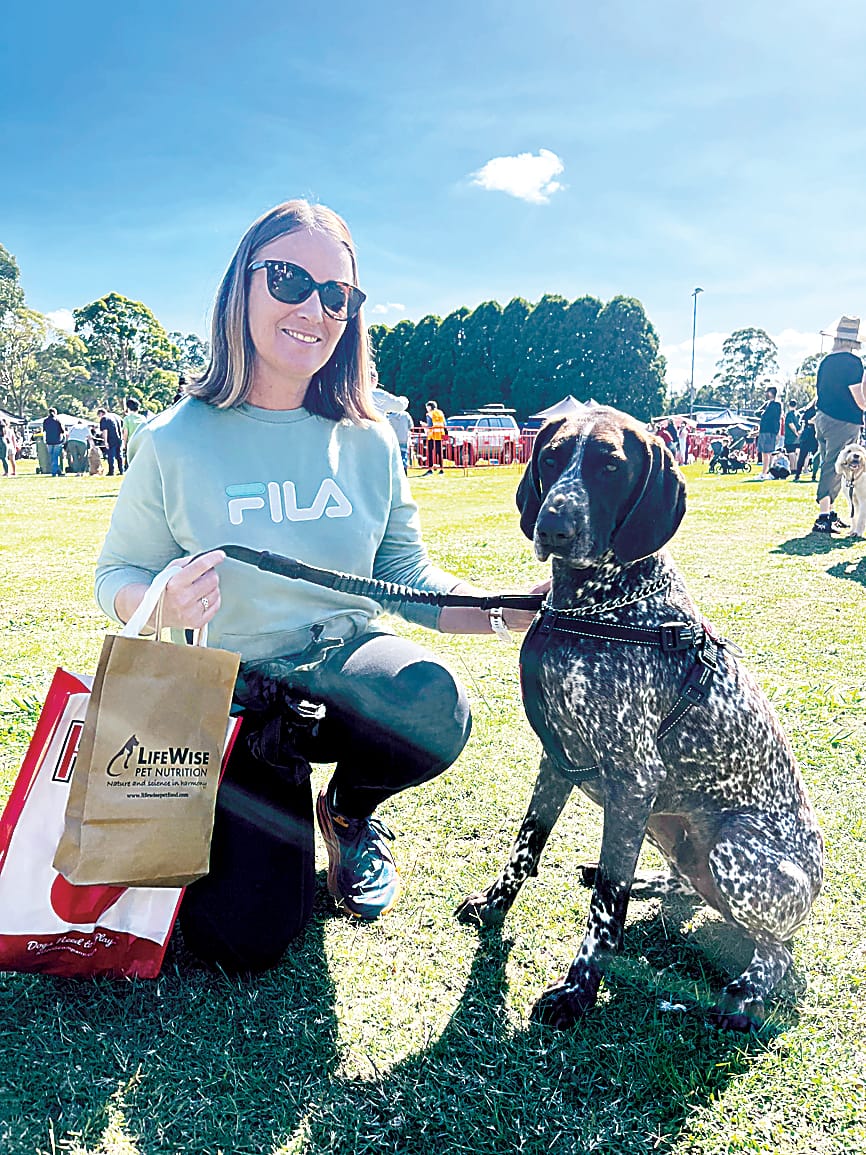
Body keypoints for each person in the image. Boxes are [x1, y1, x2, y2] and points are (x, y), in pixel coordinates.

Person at [94, 199, 545, 974]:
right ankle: (268, 811)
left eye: (337, 294)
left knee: (433, 699)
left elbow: (406, 579)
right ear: (242, 288)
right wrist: (160, 600)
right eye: (290, 280)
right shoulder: (172, 440)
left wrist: (515, 613)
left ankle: (346, 812)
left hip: (344, 674)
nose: (315, 308)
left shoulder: (371, 439)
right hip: (237, 701)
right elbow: (115, 576)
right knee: (245, 938)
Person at [812, 316, 866, 533]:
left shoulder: (826, 361)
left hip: (823, 418)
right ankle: (824, 515)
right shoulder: (853, 363)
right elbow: (859, 399)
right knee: (833, 467)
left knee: (829, 463)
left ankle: (830, 512)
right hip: (843, 422)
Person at [756, 387, 782, 480]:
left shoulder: (776, 404)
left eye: (767, 392)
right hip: (764, 430)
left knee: (767, 452)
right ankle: (766, 472)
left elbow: (766, 415)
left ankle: (765, 473)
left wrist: (763, 412)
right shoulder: (767, 404)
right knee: (765, 452)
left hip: (769, 431)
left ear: (771, 393)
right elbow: (757, 413)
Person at [793, 401, 819, 482]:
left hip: (815, 435)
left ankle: (814, 475)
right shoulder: (810, 411)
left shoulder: (819, 412)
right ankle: (797, 475)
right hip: (808, 435)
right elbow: (808, 421)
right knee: (802, 456)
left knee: (816, 457)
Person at [386, 397, 413, 471]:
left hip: (394, 439)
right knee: (403, 455)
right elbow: (411, 426)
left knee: (394, 456)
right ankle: (404, 468)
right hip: (404, 438)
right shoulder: (406, 415)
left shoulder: (389, 417)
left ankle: (397, 470)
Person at [97, 407, 124, 476]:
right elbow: (123, 427)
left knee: (110, 456)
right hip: (119, 438)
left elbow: (105, 430)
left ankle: (111, 471)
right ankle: (121, 470)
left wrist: (105, 442)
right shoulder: (116, 416)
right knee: (119, 455)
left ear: (101, 413)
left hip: (111, 439)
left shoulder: (104, 418)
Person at [424, 400, 447, 474]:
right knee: (439, 452)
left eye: (427, 407)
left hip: (432, 436)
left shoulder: (429, 414)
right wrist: (445, 437)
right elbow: (444, 425)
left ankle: (430, 469)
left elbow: (430, 426)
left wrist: (424, 425)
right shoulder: (440, 413)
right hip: (440, 435)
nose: (426, 409)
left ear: (430, 407)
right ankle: (441, 469)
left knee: (430, 452)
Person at [121, 397, 147, 464]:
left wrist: (124, 445)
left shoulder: (127, 419)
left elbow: (125, 433)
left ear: (128, 408)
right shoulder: (143, 418)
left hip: (131, 443)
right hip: (142, 442)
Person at [42, 408, 66, 476]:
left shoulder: (45, 421)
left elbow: (44, 430)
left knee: (52, 457)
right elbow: (62, 431)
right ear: (55, 412)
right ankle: (55, 471)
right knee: (55, 457)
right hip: (57, 441)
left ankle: (57, 470)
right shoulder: (58, 420)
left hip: (49, 441)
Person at [783, 399, 801, 471]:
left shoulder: (789, 414)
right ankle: (796, 467)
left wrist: (796, 433)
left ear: (789, 405)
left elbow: (791, 424)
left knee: (791, 452)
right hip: (798, 437)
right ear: (796, 406)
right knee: (796, 453)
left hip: (790, 437)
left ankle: (793, 468)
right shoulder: (798, 414)